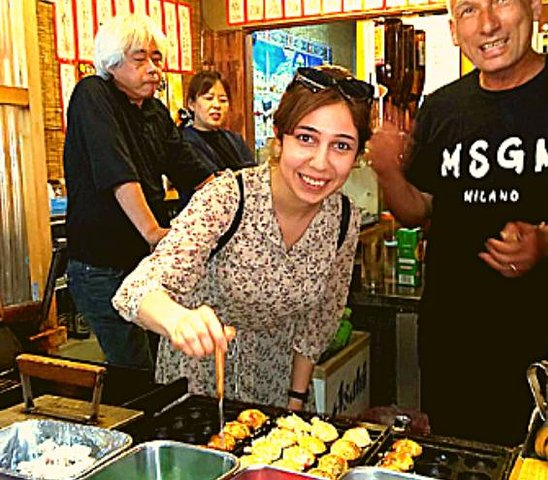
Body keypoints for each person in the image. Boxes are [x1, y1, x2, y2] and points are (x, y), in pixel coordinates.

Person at [366, 0, 548, 446]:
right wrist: (389, 172)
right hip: (449, 341)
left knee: (530, 459)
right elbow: (422, 208)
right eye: (469, 10)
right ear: (454, 30)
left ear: (535, 8)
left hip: (539, 351)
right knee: (457, 457)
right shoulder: (443, 106)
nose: (487, 24)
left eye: (501, 1)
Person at [112, 65, 373, 410]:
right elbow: (136, 290)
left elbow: (319, 323)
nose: (320, 163)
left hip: (277, 385)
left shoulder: (343, 219)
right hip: (200, 389)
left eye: (341, 145)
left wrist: (295, 400)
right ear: (279, 138)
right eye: (306, 138)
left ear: (357, 156)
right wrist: (178, 319)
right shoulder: (228, 197)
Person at [63, 14, 216, 370]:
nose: (153, 69)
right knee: (134, 368)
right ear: (112, 63)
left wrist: (231, 202)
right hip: (101, 267)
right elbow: (118, 172)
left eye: (157, 59)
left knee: (162, 364)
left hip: (144, 266)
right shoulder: (92, 94)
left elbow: (191, 169)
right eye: (140, 59)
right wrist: (152, 232)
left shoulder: (155, 111)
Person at [181, 71, 256, 172]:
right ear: (191, 104)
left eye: (223, 100)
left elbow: (253, 172)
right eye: (209, 98)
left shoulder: (236, 139)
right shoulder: (184, 143)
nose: (217, 105)